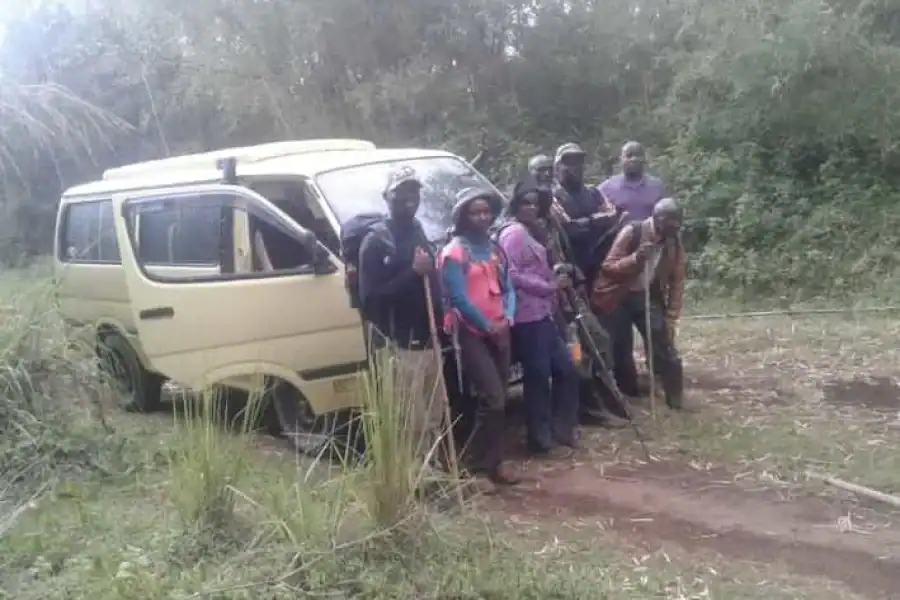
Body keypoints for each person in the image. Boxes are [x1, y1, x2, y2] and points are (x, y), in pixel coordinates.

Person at [356, 165, 448, 468]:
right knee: (411, 420)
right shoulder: (376, 242)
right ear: (386, 196)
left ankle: (432, 471)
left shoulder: (418, 230)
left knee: (433, 414)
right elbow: (371, 300)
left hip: (429, 341)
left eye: (414, 191)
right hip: (399, 344)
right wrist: (412, 273)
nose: (410, 198)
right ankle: (412, 479)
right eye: (401, 192)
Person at [439, 187, 519, 490]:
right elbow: (458, 298)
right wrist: (488, 326)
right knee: (493, 398)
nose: (482, 217)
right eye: (475, 212)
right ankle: (474, 465)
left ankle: (493, 463)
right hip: (472, 333)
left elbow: (509, 287)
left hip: (501, 329)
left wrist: (508, 318)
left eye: (486, 211)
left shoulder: (495, 247)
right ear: (463, 216)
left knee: (499, 399)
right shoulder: (454, 252)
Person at [497, 178, 580, 458]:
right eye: (525, 203)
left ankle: (563, 427)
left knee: (566, 368)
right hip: (526, 316)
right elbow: (511, 274)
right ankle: (540, 438)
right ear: (515, 205)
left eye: (535, 203)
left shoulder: (535, 230)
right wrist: (549, 287)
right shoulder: (513, 234)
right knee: (538, 377)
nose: (531, 208)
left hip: (544, 312)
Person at [590, 198, 689, 410]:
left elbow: (677, 280)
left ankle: (674, 396)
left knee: (662, 340)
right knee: (619, 347)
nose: (673, 230)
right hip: (617, 295)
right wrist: (636, 258)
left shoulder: (674, 242)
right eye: (670, 225)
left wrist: (672, 315)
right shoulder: (632, 232)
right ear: (657, 219)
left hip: (646, 295)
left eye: (676, 225)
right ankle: (622, 395)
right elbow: (609, 267)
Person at [599, 141, 667, 224]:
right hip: (617, 232)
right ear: (620, 160)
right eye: (629, 155)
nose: (634, 159)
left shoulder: (657, 186)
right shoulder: (606, 188)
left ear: (644, 159)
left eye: (638, 155)